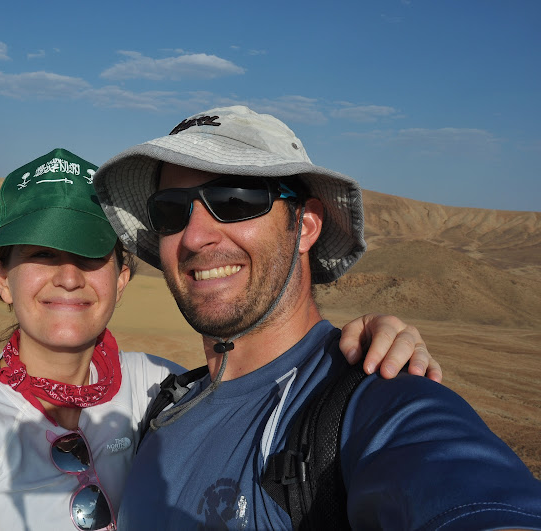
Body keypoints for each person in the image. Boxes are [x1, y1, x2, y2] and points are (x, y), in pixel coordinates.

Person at [0, 148, 442, 531]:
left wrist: (354, 347)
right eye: (41, 255)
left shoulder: (162, 389)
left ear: (122, 276)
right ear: (3, 278)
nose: (68, 277)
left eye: (90, 256)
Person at [92, 106, 541, 530]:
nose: (194, 236)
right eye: (171, 211)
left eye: (233, 200)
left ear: (305, 226)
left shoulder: (375, 402)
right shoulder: (165, 409)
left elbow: (466, 491)